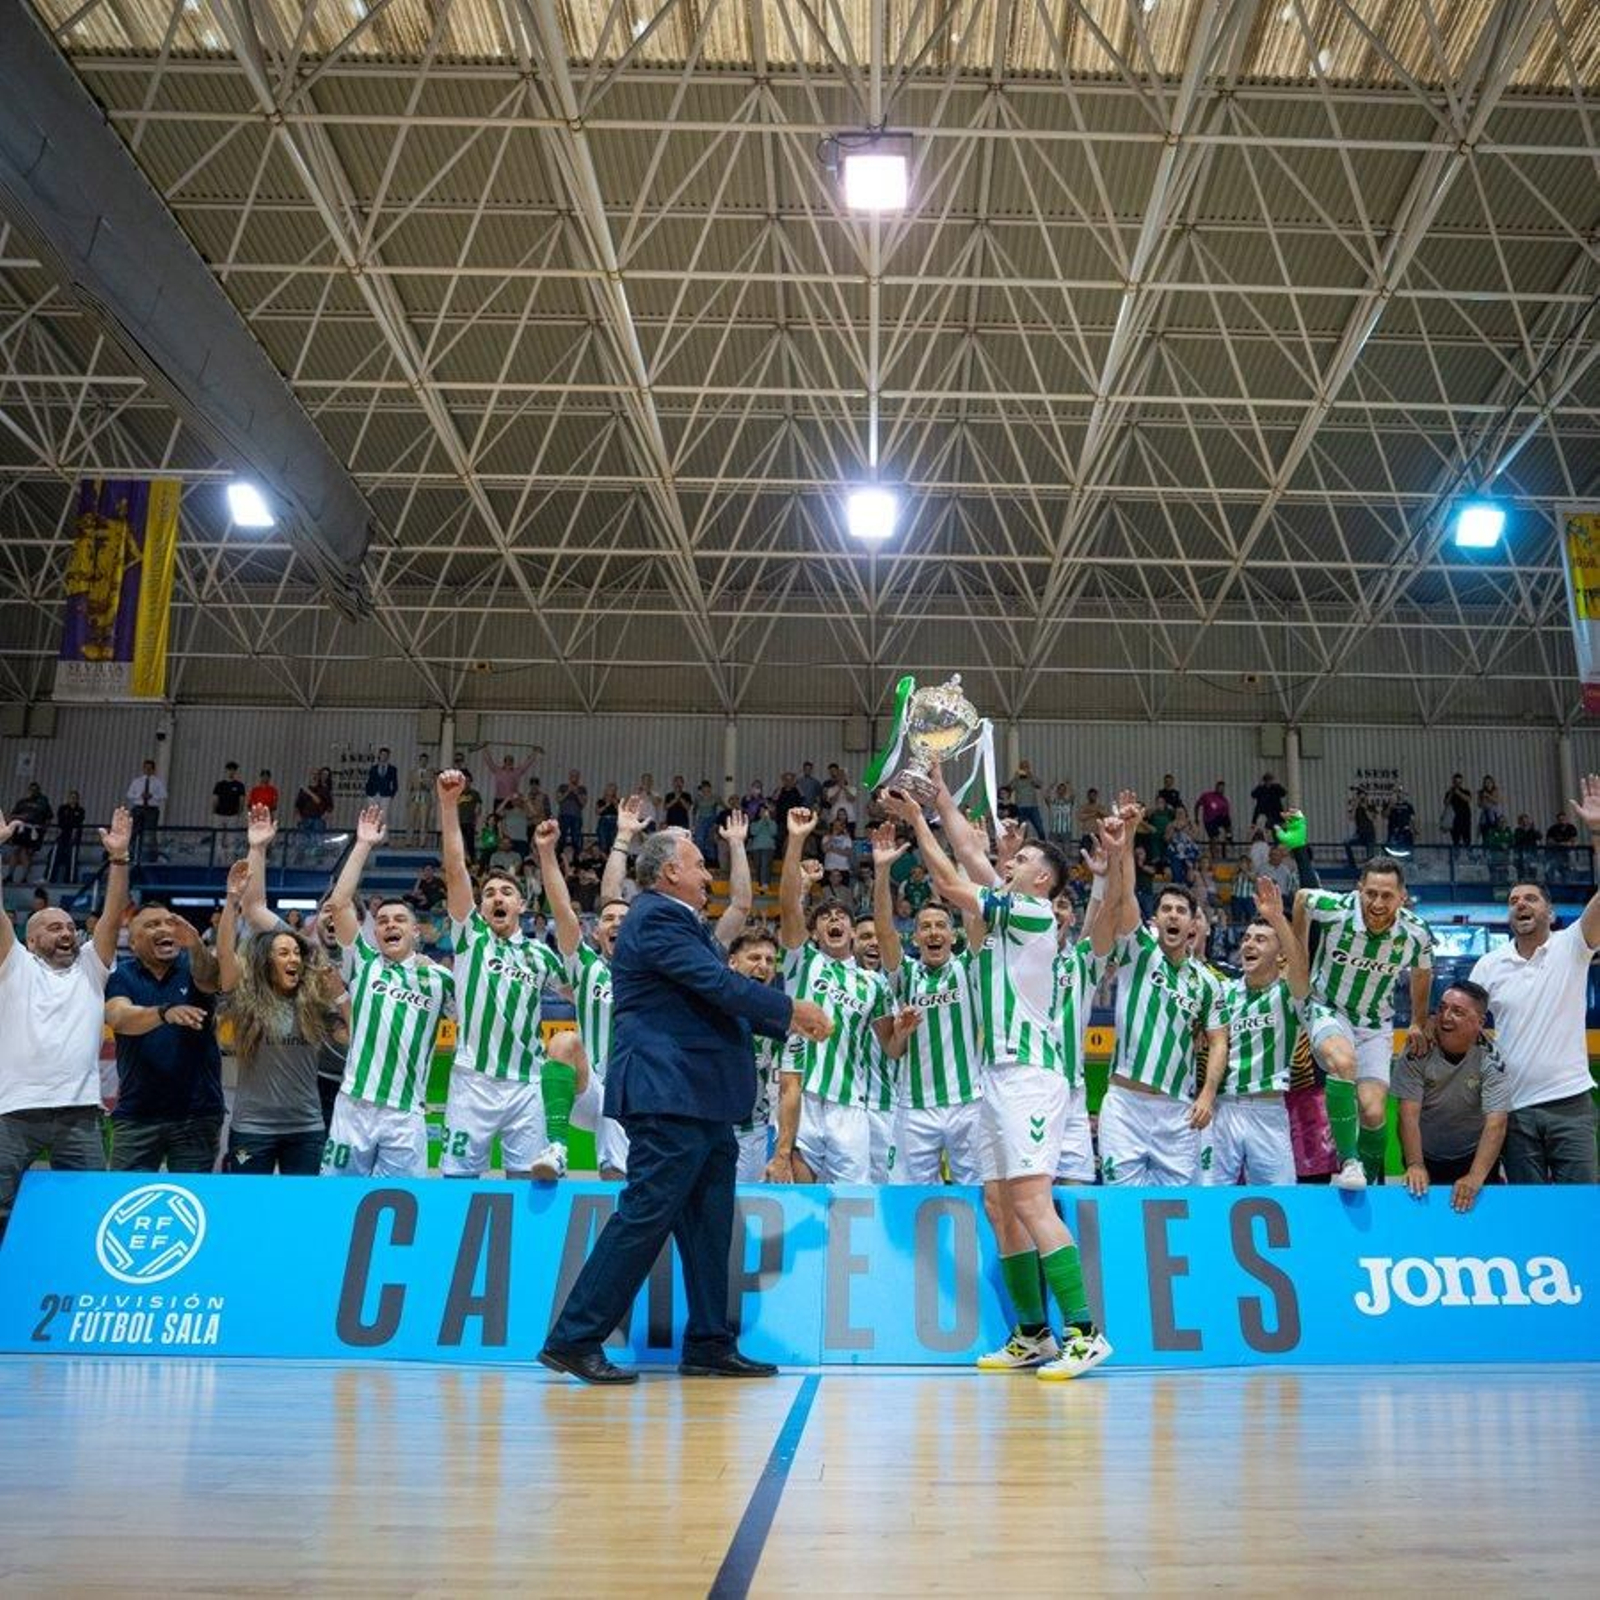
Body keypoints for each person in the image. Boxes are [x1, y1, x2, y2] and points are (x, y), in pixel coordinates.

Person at [538, 828, 831, 1385]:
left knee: (708, 1225)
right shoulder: (657, 917)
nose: (706, 876)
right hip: (668, 1093)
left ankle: (708, 1342)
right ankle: (574, 1337)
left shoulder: (679, 922)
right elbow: (716, 985)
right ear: (670, 871)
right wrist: (789, 1009)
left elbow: (714, 989)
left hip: (700, 1100)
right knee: (645, 1215)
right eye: (699, 866)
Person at [883, 776, 1112, 1381]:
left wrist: (916, 824)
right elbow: (968, 854)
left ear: (1041, 880)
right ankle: (1033, 1334)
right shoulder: (1009, 914)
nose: (1012, 860)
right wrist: (937, 803)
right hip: (996, 1080)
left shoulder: (1034, 913)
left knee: (1033, 1202)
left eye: (1026, 857)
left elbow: (952, 881)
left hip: (1031, 1076)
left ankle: (1085, 1334)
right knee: (998, 1206)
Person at [0, 806, 130, 1241]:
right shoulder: (14, 964)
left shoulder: (91, 967)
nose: (67, 933)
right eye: (54, 927)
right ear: (31, 939)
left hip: (80, 1114)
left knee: (92, 1217)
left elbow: (111, 917)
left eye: (71, 926)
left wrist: (119, 859)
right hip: (14, 1112)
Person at [435, 772, 568, 1179]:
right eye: (489, 892)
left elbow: (579, 995)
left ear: (522, 906)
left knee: (528, 1184)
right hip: (471, 1083)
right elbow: (456, 868)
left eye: (506, 893)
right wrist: (448, 805)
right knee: (456, 1183)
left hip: (526, 1086)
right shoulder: (471, 936)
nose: (497, 897)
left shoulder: (540, 955)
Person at [1469, 788, 1600, 1184]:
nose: (1521, 904)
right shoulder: (1489, 965)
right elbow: (1465, 1027)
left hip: (1570, 1105)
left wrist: (1597, 833)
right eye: (1513, 900)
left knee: (1582, 1214)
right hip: (1513, 1111)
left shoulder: (1573, 945)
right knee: (1530, 1219)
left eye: (1530, 898)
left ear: (1551, 911)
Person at [321, 806, 455, 1177]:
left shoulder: (439, 980)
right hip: (353, 1105)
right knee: (336, 1202)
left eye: (400, 920)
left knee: (403, 1208)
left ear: (417, 932)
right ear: (374, 932)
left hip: (407, 1113)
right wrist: (363, 843)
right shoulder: (363, 962)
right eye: (382, 921)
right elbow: (340, 903)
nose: (389, 925)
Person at [1099, 804, 1229, 1188]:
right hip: (1125, 1105)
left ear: (1193, 924)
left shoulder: (1207, 982)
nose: (1173, 916)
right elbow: (1124, 898)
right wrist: (1126, 843)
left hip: (1177, 1110)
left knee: (1174, 1211)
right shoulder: (1139, 951)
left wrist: (1207, 1095)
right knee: (1122, 1207)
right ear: (1155, 921)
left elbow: (1219, 1040)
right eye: (1166, 910)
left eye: (1181, 911)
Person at [772, 807, 903, 1183]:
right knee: (801, 1194)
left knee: (852, 1206)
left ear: (851, 931)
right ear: (814, 932)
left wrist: (905, 1029)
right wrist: (796, 839)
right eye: (825, 917)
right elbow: (786, 906)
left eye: (841, 917)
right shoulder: (803, 961)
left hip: (852, 1107)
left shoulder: (873, 983)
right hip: (804, 1098)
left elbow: (891, 1047)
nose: (834, 920)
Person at [1297, 853, 1434, 1189]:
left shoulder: (1416, 933)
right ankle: (1350, 1162)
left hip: (1375, 1022)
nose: (1377, 902)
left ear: (1402, 897)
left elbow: (1422, 973)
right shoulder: (1335, 908)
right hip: (1327, 1007)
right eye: (1370, 893)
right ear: (1359, 889)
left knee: (1373, 1113)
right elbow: (1302, 899)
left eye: (1387, 895)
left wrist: (1417, 1021)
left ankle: (1373, 1184)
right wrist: (1300, 951)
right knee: (1343, 1062)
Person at [869, 821, 986, 1185]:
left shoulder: (969, 967)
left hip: (968, 1101)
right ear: (916, 936)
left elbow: (976, 912)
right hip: (915, 1107)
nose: (934, 932)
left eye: (940, 926)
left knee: (980, 1193)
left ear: (953, 935)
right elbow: (884, 928)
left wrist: (969, 861)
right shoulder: (904, 973)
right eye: (926, 927)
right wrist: (883, 869)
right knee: (908, 1197)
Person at [215, 846, 340, 1177]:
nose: (294, 959)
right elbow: (227, 955)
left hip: (307, 1128)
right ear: (266, 961)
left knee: (304, 1217)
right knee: (246, 1211)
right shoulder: (246, 1000)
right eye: (283, 953)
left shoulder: (314, 999)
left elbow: (315, 951)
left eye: (296, 953)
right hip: (253, 1129)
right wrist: (232, 901)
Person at [1198, 877, 1308, 1187]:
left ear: (1280, 953)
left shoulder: (1289, 993)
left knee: (1282, 1201)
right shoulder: (1224, 993)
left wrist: (1276, 917)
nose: (1248, 943)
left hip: (1268, 1110)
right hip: (1222, 1109)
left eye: (1261, 939)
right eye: (1247, 937)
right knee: (1208, 1199)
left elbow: (1301, 964)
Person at [104, 903, 225, 1172]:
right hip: (137, 1115)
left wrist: (195, 945)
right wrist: (164, 1012)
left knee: (195, 1205)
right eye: (151, 925)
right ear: (133, 943)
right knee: (127, 1200)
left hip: (197, 1114)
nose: (163, 928)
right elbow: (119, 1017)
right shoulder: (122, 975)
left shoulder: (194, 966)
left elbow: (211, 979)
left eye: (168, 923)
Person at [1392, 981, 1509, 1212]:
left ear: (1479, 1022)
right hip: (1424, 1155)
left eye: (1457, 1012)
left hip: (1472, 1155)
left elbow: (1497, 1123)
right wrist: (1415, 1164)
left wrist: (1475, 1177)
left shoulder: (1491, 1058)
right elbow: (1408, 1114)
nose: (1445, 1017)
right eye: (1442, 1007)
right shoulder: (1418, 1048)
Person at [729, 930, 788, 1180]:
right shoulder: (706, 1006)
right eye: (754, 958)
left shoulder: (780, 1016)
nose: (763, 966)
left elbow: (789, 1087)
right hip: (706, 1127)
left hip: (752, 1131)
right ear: (732, 962)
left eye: (770, 960)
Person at [6, 783, 51, 883]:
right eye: (31, 790)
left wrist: (43, 831)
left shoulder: (43, 803)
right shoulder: (22, 802)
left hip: (33, 830)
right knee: (16, 850)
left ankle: (24, 876)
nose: (33, 792)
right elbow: (12, 815)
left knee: (26, 852)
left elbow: (48, 818)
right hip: (21, 828)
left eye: (35, 790)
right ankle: (10, 875)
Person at [126, 758, 166, 863]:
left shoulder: (157, 782)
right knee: (134, 832)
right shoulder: (137, 781)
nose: (147, 770)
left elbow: (164, 795)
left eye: (150, 768)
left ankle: (151, 856)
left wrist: (153, 796)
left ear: (153, 770)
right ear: (143, 769)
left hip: (151, 809)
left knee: (150, 833)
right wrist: (140, 795)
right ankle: (130, 854)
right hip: (138, 807)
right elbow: (129, 794)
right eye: (146, 768)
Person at [49, 790, 86, 883]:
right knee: (54, 856)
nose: (73, 799)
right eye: (71, 797)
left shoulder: (80, 810)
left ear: (77, 799)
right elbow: (61, 821)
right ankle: (50, 878)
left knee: (71, 859)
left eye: (75, 797)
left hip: (73, 837)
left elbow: (78, 822)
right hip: (63, 835)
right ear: (68, 798)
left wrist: (72, 828)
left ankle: (70, 879)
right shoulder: (62, 808)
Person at [558, 770, 590, 856]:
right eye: (572, 776)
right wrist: (568, 791)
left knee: (576, 838)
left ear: (578, 778)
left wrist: (576, 793)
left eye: (575, 776)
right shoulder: (563, 787)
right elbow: (559, 800)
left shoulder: (582, 789)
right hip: (563, 816)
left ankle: (576, 857)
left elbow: (583, 804)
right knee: (561, 837)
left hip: (576, 817)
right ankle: (559, 856)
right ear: (569, 777)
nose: (574, 778)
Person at [364, 748, 399, 819]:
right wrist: (368, 792)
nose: (384, 756)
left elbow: (395, 783)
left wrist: (392, 794)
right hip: (373, 794)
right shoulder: (373, 768)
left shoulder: (392, 769)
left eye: (386, 755)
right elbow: (369, 781)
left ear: (388, 756)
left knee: (383, 815)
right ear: (379, 755)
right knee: (372, 814)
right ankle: (372, 830)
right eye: (382, 754)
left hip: (385, 794)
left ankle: (383, 830)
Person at [212, 762, 246, 831]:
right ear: (226, 771)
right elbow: (215, 799)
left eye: (233, 770)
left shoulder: (239, 785)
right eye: (229, 770)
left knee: (231, 837)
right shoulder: (219, 784)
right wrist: (214, 811)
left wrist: (239, 812)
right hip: (220, 814)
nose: (231, 772)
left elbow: (242, 800)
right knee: (218, 836)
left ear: (235, 772)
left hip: (232, 815)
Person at [1443, 772, 1473, 849]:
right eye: (1456, 782)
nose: (1457, 784)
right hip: (1454, 820)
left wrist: (1459, 793)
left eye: (1459, 782)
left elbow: (1468, 799)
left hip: (1465, 819)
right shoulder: (1449, 793)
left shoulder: (1466, 791)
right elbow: (1446, 803)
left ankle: (1470, 856)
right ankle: (1456, 857)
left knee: (1467, 839)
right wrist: (1451, 793)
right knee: (1455, 840)